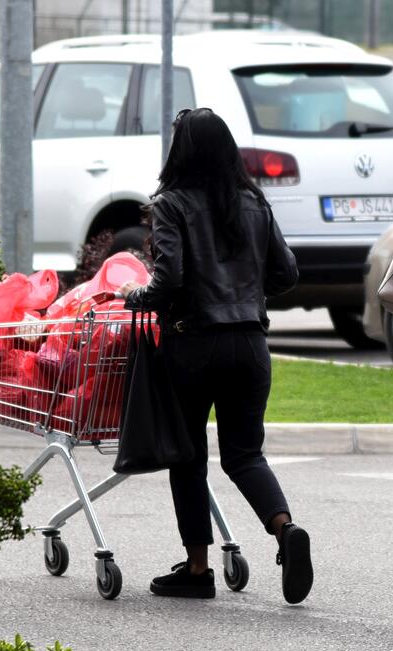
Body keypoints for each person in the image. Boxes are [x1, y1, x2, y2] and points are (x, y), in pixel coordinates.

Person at [117, 107, 312, 605]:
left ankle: (199, 569)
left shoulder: (171, 204)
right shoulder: (253, 201)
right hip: (251, 344)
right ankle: (285, 530)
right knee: (245, 454)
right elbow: (287, 274)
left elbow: (170, 280)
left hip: (193, 343)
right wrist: (248, 291)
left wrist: (134, 297)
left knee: (188, 457)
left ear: (179, 150)